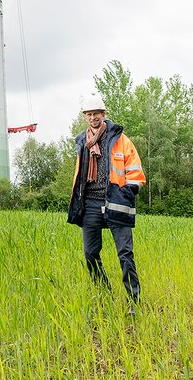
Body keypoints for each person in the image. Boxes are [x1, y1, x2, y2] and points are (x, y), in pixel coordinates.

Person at [67, 94, 146, 311]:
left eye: (96, 113)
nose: (93, 117)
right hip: (90, 203)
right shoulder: (82, 142)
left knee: (125, 253)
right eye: (89, 114)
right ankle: (104, 295)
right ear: (86, 117)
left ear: (104, 114)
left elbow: (136, 172)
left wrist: (126, 192)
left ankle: (134, 302)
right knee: (90, 253)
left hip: (115, 201)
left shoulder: (121, 139)